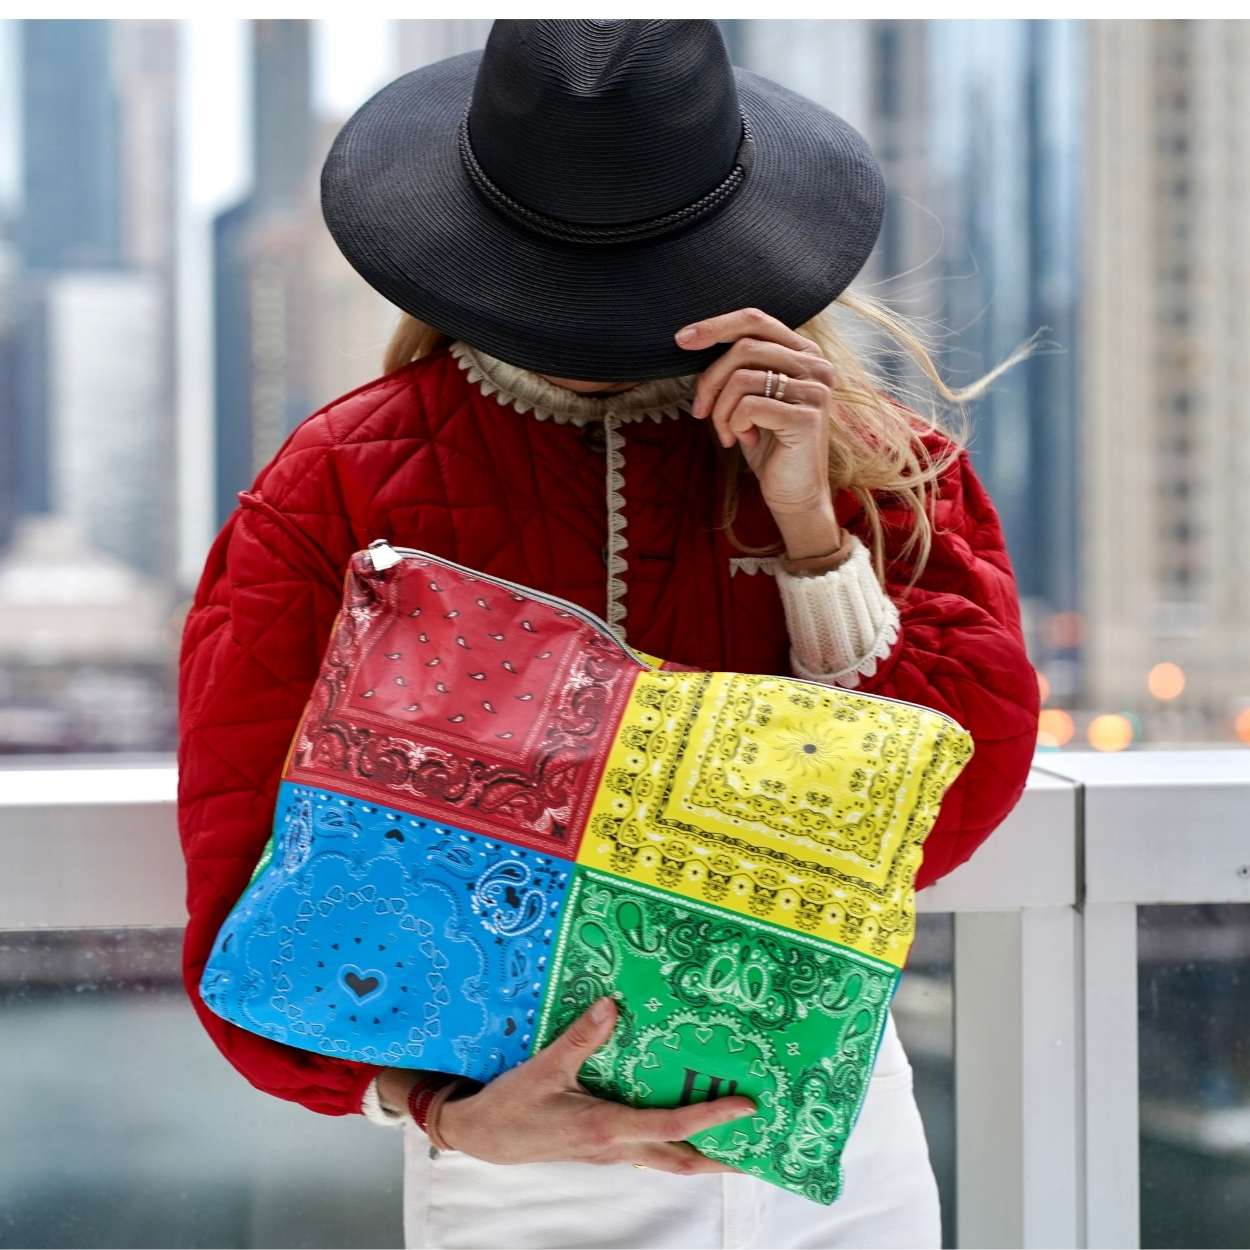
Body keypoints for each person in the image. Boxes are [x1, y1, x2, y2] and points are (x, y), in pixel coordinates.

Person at [176, 20, 1042, 1250]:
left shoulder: (857, 452)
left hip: (826, 1148)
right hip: (513, 1168)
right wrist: (442, 1112)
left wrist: (810, 532)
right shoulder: (335, 485)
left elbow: (942, 813)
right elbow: (244, 891)